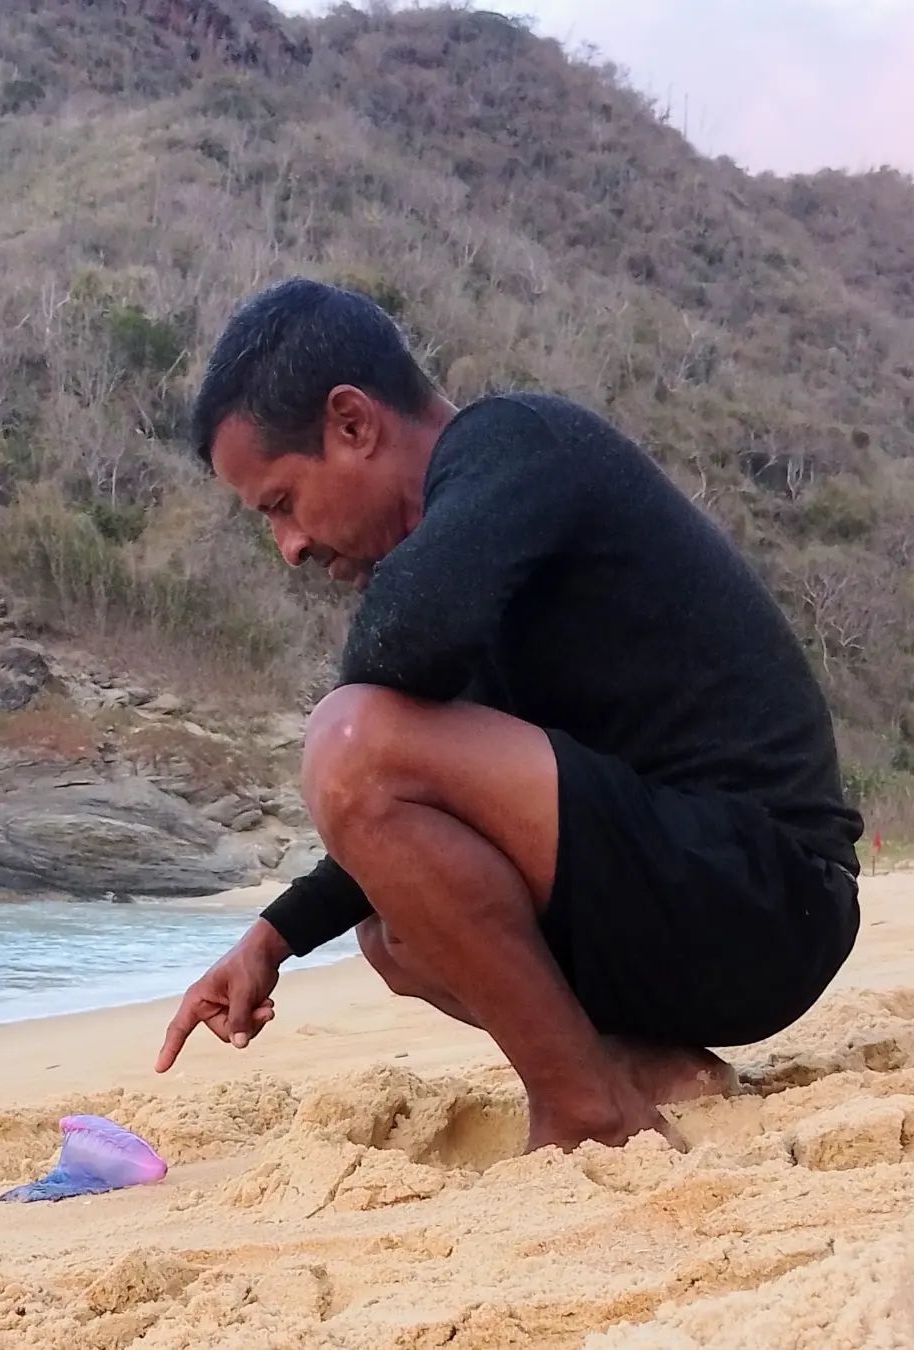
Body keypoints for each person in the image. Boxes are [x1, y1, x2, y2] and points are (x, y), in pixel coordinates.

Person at [155, 278, 862, 1152]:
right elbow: (429, 799)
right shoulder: (477, 566)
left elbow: (382, 712)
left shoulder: (515, 445)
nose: (290, 547)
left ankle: (583, 1109)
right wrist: (275, 934)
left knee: (350, 741)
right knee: (397, 933)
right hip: (698, 910)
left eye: (281, 504)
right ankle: (643, 1070)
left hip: (765, 888)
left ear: (352, 423)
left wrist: (369, 725)